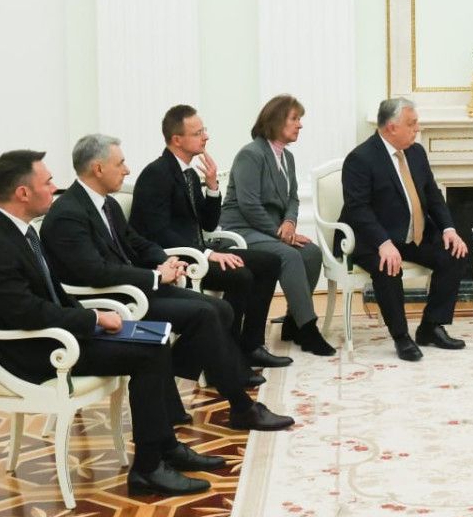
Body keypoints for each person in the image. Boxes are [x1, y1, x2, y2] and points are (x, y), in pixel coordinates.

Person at [0, 150, 226, 496]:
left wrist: (93, 319)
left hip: (51, 337)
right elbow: (27, 313)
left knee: (156, 338)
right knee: (147, 354)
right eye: (47, 182)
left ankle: (165, 448)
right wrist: (94, 318)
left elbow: (51, 294)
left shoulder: (18, 231)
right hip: (28, 352)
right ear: (23, 193)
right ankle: (148, 469)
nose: (54, 188)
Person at [40, 134, 294, 432]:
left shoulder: (105, 204)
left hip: (134, 290)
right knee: (205, 314)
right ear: (98, 168)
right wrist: (155, 276)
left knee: (221, 309)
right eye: (120, 163)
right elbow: (96, 273)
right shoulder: (68, 214)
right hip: (112, 301)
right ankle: (241, 407)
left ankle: (165, 372)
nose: (127, 170)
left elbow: (136, 241)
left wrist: (164, 260)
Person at [130, 105, 290, 370]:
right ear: (177, 139)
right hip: (176, 259)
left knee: (269, 262)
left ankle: (251, 346)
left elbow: (209, 222)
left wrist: (213, 185)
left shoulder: (190, 173)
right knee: (241, 275)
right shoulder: (156, 174)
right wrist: (207, 254)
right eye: (198, 133)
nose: (206, 137)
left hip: (199, 251)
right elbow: (159, 232)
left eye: (204, 130)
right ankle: (227, 359)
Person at [340, 97, 469, 362]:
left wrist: (448, 229)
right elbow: (358, 209)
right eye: (412, 124)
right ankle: (401, 336)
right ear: (392, 127)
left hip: (412, 234)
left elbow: (433, 195)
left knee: (455, 253)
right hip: (372, 238)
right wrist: (383, 243)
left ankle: (431, 326)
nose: (417, 129)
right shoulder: (360, 159)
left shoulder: (416, 152)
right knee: (388, 266)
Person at [221, 95, 336, 356]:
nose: (300, 125)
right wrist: (280, 234)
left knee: (311, 253)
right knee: (289, 255)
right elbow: (249, 205)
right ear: (275, 121)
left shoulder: (287, 157)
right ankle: (309, 330)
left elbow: (293, 198)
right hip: (240, 230)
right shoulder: (251, 154)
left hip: (270, 230)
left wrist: (290, 222)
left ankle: (293, 322)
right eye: (294, 119)